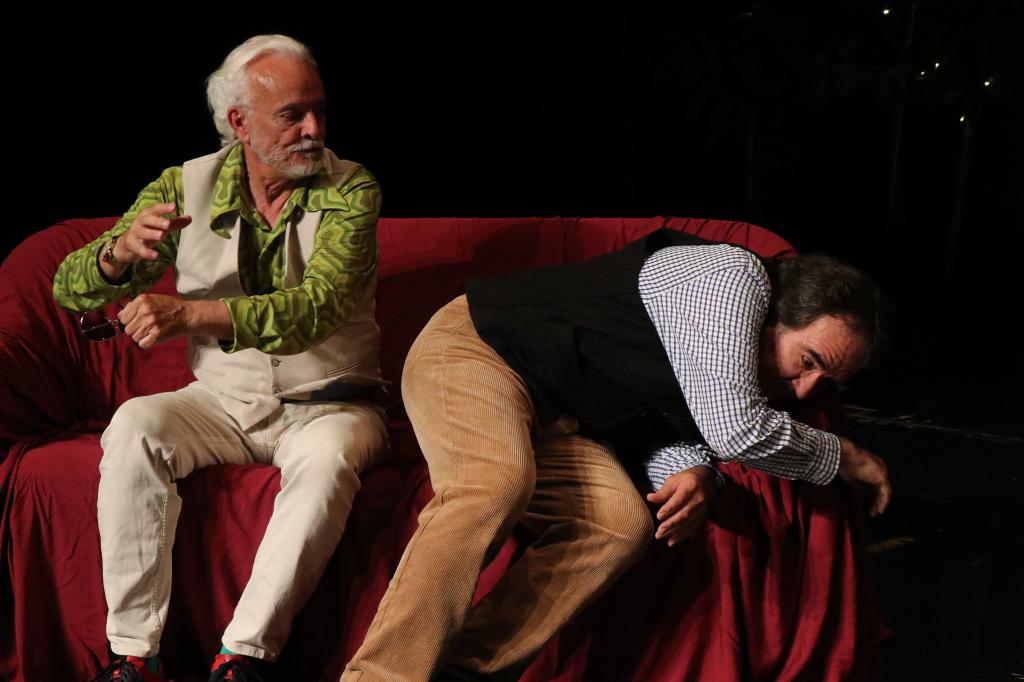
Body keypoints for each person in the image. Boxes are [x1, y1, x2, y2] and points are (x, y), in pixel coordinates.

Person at [341, 229, 891, 681]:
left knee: (618, 524)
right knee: (495, 485)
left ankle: (466, 672)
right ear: (778, 316)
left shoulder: (737, 362)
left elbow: (668, 417)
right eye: (808, 361)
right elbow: (735, 429)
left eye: (825, 382)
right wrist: (847, 456)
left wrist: (696, 471)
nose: (804, 391)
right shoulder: (733, 276)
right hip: (480, 351)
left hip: (556, 419)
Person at [53, 34, 388, 682]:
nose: (314, 129)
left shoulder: (352, 189)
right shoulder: (183, 186)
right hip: (224, 402)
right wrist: (118, 254)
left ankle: (243, 657)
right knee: (136, 425)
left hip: (330, 403)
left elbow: (315, 310)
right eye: (292, 114)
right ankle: (134, 656)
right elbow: (70, 289)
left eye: (318, 110)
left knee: (326, 462)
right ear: (239, 122)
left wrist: (191, 315)